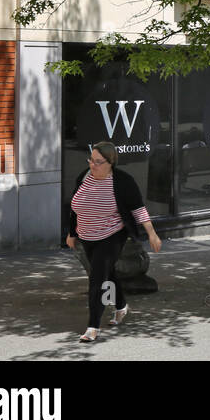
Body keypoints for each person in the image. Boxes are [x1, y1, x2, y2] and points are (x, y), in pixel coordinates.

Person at [65, 141, 162, 343]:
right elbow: (76, 208)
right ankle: (121, 307)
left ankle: (92, 326)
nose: (93, 165)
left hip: (111, 236)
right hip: (87, 236)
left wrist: (152, 234)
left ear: (111, 162)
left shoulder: (122, 181)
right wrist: (72, 233)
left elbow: (138, 209)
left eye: (98, 162)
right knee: (107, 273)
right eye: (91, 160)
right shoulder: (84, 177)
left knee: (97, 279)